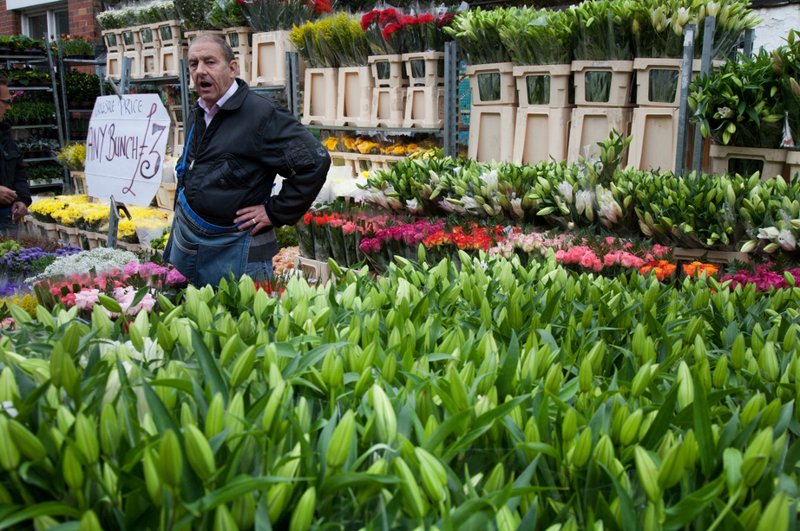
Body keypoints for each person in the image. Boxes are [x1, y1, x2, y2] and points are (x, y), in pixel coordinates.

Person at [164, 34, 330, 286]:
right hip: (192, 247)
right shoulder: (200, 111)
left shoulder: (261, 115)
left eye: (210, 62)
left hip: (236, 253)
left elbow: (315, 161)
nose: (200, 71)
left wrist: (276, 211)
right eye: (193, 64)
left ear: (232, 68)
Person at [0, 77, 31, 235]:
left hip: (7, 218)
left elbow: (19, 170)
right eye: (6, 102)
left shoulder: (4, 135)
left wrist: (22, 199)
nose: (9, 107)